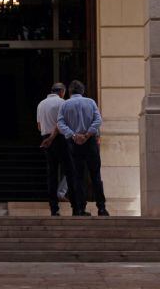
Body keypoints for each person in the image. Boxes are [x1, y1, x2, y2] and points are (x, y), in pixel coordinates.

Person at [57, 80, 109, 217]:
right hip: (90, 142)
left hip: (74, 144)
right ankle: (101, 208)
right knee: (96, 176)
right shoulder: (90, 102)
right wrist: (87, 134)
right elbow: (98, 121)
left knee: (78, 177)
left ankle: (80, 209)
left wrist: (73, 135)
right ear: (82, 91)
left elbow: (60, 124)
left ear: (69, 92)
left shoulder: (65, 104)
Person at [37, 82, 79, 216]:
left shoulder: (41, 104)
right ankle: (76, 208)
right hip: (60, 139)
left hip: (45, 138)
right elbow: (61, 124)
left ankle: (54, 209)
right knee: (70, 172)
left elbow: (39, 126)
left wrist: (48, 137)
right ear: (62, 92)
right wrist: (53, 137)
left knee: (52, 174)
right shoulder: (62, 103)